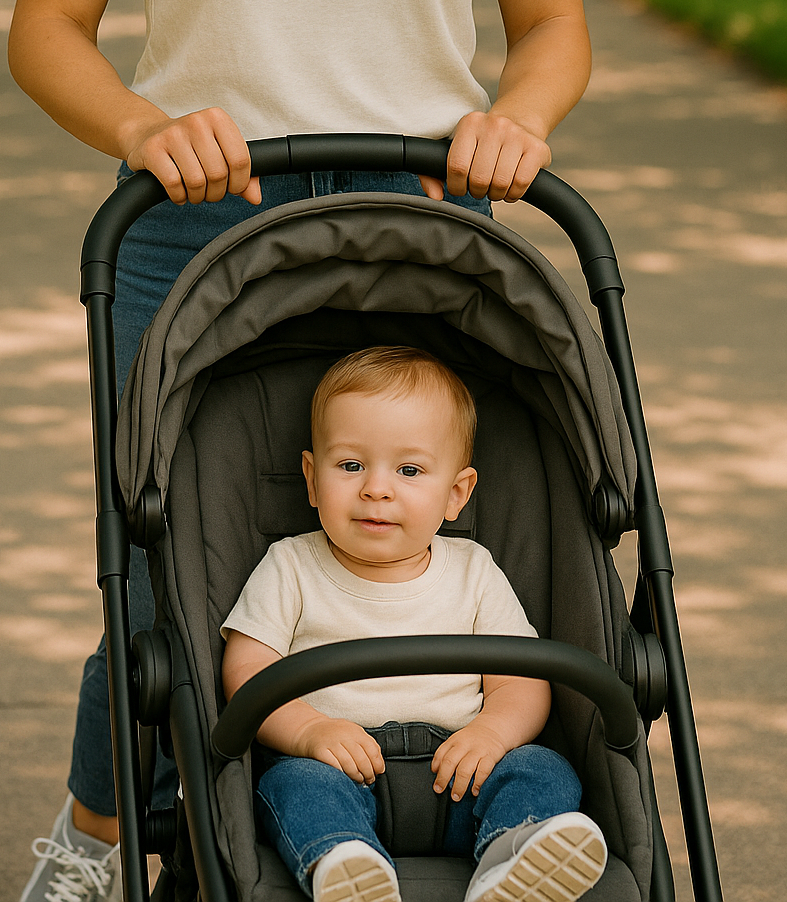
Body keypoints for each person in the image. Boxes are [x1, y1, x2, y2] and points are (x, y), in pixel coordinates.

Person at [8, 0, 592, 902]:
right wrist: (147, 124)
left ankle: (442, 821)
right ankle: (91, 841)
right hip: (195, 226)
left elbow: (553, 25)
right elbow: (51, 30)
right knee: (170, 574)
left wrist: (516, 118)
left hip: (417, 229)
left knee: (402, 544)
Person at [222, 346, 607, 902]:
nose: (377, 488)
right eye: (351, 465)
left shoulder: (474, 570)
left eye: (408, 470)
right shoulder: (290, 566)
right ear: (311, 478)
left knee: (543, 768)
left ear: (456, 494)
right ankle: (344, 863)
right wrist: (309, 730)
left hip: (464, 773)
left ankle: (509, 857)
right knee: (290, 785)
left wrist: (494, 732)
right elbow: (249, 668)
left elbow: (521, 677)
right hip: (341, 770)